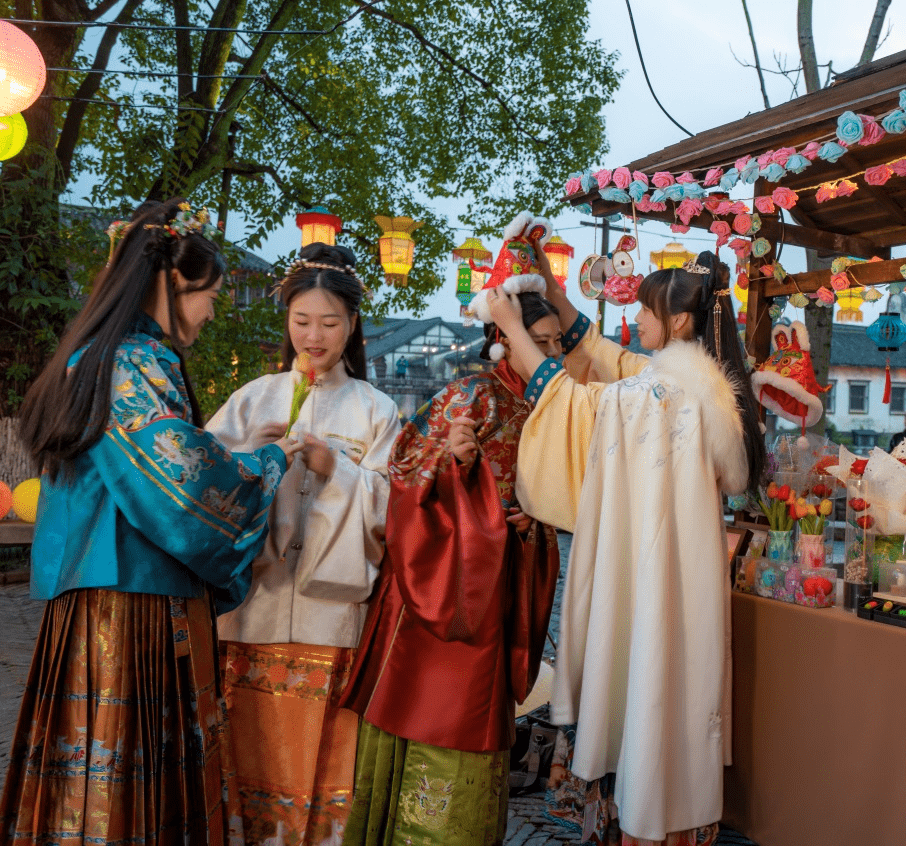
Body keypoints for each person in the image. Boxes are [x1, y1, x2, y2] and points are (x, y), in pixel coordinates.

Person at [1, 199, 300, 844]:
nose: (213, 310)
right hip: (129, 604)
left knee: (94, 773)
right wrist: (269, 462)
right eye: (209, 294)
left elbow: (164, 459)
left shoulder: (98, 357)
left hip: (96, 598)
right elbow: (185, 483)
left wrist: (240, 454)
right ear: (170, 282)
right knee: (133, 764)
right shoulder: (131, 366)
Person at [489, 251, 765, 845]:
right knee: (670, 683)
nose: (635, 318)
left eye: (646, 309)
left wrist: (512, 329)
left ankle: (640, 818)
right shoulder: (698, 388)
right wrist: (551, 280)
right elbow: (605, 354)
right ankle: (670, 818)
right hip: (683, 572)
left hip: (648, 568)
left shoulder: (662, 394)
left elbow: (573, 402)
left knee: (644, 673)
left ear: (681, 323)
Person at [338, 288, 564, 845]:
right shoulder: (470, 395)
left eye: (558, 342)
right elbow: (407, 472)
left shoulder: (554, 408)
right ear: (501, 340)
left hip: (499, 587)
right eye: (540, 342)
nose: (552, 354)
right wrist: (456, 467)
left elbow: (550, 505)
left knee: (476, 721)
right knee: (435, 715)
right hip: (445, 584)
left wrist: (532, 526)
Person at [206, 244, 400, 845]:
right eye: (301, 320)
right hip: (253, 608)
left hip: (332, 617)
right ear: (285, 321)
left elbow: (394, 509)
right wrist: (247, 462)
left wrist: (336, 471)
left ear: (354, 324)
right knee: (245, 752)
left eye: (330, 322)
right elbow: (196, 486)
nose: (314, 336)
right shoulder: (251, 399)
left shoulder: (376, 409)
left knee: (326, 760)